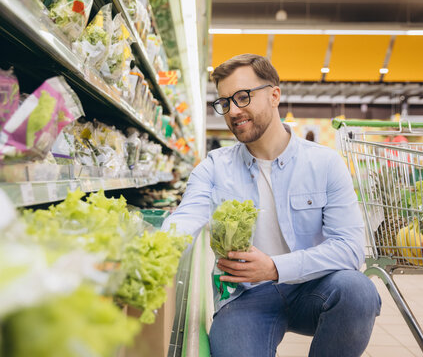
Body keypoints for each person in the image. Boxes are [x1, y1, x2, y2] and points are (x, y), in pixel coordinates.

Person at [161, 54, 381, 357]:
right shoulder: (214, 168)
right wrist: (152, 254)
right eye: (225, 103)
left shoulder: (325, 163)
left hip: (312, 288)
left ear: (274, 95)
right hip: (246, 296)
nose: (233, 111)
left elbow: (351, 248)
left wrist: (275, 267)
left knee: (358, 290)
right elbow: (184, 220)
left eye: (242, 97)